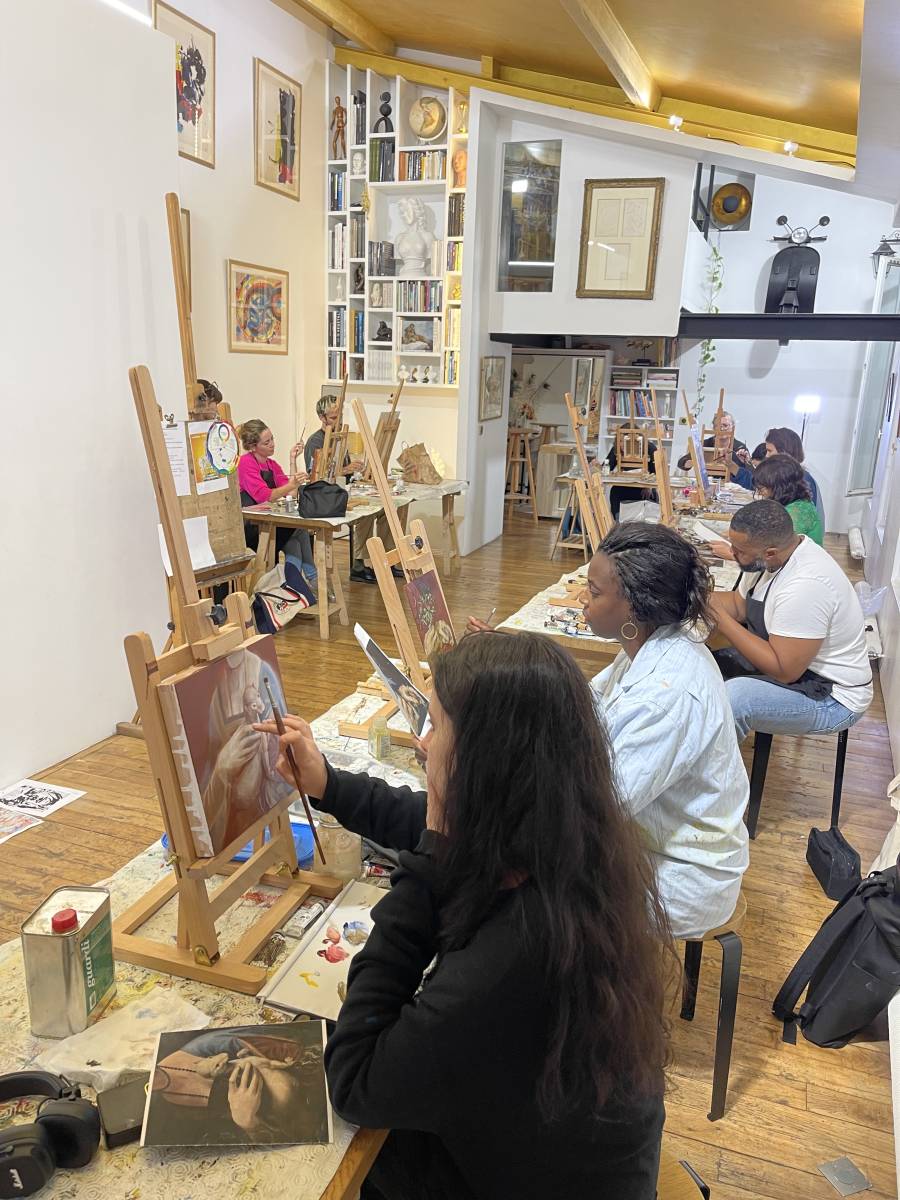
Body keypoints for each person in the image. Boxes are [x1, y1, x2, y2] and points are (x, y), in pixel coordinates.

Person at [256, 633, 671, 1200]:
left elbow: (354, 1081)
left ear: (484, 764)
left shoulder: (508, 961)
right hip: (567, 1150)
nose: (422, 743)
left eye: (436, 726)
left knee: (346, 1159)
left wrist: (428, 858)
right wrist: (329, 784)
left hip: (537, 1180)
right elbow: (447, 830)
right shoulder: (570, 840)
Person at [580, 522, 749, 938]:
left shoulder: (664, 695)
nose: (583, 599)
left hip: (683, 877)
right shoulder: (652, 644)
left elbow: (596, 809)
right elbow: (586, 706)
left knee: (529, 889)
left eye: (594, 592)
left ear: (634, 608)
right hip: (653, 843)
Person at [709, 500, 872, 743]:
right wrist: (698, 598)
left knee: (737, 699)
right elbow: (739, 606)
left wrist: (721, 620)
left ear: (770, 552)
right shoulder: (769, 560)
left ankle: (708, 765)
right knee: (705, 663)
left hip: (832, 696)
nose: (732, 553)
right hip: (797, 668)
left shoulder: (806, 584)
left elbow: (784, 671)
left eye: (739, 550)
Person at [306, 395, 399, 584]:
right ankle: (358, 563)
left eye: (340, 416)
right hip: (324, 496)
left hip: (344, 490)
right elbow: (315, 476)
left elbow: (345, 471)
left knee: (387, 508)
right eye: (333, 418)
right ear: (322, 418)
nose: (338, 421)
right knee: (367, 513)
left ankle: (388, 558)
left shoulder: (340, 437)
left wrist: (356, 470)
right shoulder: (315, 441)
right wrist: (345, 470)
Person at [238, 419, 317, 589]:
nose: (272, 444)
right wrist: (291, 484)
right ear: (253, 446)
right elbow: (264, 496)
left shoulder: (271, 465)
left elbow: (291, 493)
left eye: (272, 439)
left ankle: (295, 587)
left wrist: (292, 459)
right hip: (252, 527)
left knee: (295, 541)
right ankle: (307, 582)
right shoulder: (245, 463)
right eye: (266, 442)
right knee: (299, 530)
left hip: (268, 522)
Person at [710, 453, 823, 559]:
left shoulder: (797, 513)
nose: (760, 493)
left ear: (779, 487)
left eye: (762, 488)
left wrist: (734, 555)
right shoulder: (792, 504)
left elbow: (776, 557)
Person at [764, 426, 824, 525]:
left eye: (769, 451)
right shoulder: (788, 476)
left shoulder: (802, 479)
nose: (767, 456)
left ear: (784, 452)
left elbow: (799, 521)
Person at [677, 410, 747, 477]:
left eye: (725, 425)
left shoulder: (740, 447)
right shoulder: (705, 444)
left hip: (732, 483)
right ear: (713, 428)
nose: (721, 429)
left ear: (732, 427)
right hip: (709, 482)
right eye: (718, 426)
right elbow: (681, 462)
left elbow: (747, 473)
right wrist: (693, 462)